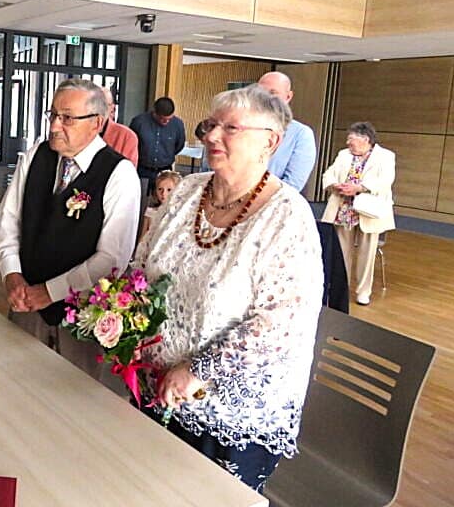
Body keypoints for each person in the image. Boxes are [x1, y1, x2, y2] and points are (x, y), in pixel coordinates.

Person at [133, 85, 322, 493]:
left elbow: (278, 325)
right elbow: (142, 264)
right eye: (210, 126)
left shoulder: (288, 217)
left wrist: (195, 372)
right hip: (153, 385)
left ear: (270, 141)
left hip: (225, 416)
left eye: (230, 128)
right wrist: (128, 323)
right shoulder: (185, 191)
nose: (212, 137)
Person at [0, 79, 141, 375]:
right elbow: (9, 220)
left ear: (97, 123)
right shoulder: (37, 156)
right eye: (52, 115)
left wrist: (50, 292)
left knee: (71, 397)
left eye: (67, 118)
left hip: (82, 316)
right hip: (25, 304)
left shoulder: (119, 174)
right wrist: (11, 274)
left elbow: (112, 258)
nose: (54, 126)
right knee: (15, 384)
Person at [321, 122, 396, 306]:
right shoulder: (343, 155)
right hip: (343, 209)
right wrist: (335, 185)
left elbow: (385, 182)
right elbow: (328, 174)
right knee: (341, 253)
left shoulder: (385, 156)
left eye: (351, 139)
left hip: (368, 212)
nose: (348, 142)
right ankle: (341, 289)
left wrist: (359, 188)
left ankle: (363, 292)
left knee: (366, 254)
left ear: (365, 140)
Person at [256, 71, 316, 191]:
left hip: (272, 203)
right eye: (261, 92)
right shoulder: (241, 127)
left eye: (273, 93)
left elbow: (292, 185)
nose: (265, 98)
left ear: (288, 97)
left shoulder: (301, 134)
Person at [130, 96, 186, 187]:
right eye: (163, 119)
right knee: (141, 197)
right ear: (154, 113)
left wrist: (166, 155)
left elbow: (179, 145)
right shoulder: (139, 122)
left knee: (164, 198)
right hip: (142, 168)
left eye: (169, 119)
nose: (166, 121)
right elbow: (131, 144)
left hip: (165, 169)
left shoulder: (177, 124)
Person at [100, 85, 139, 166]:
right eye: (93, 105)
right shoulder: (76, 131)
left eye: (103, 105)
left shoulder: (127, 136)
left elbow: (127, 173)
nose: (98, 110)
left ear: (112, 109)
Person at [139, 170, 181, 240]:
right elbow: (143, 237)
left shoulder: (179, 213)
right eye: (160, 189)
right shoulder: (150, 212)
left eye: (169, 190)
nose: (163, 193)